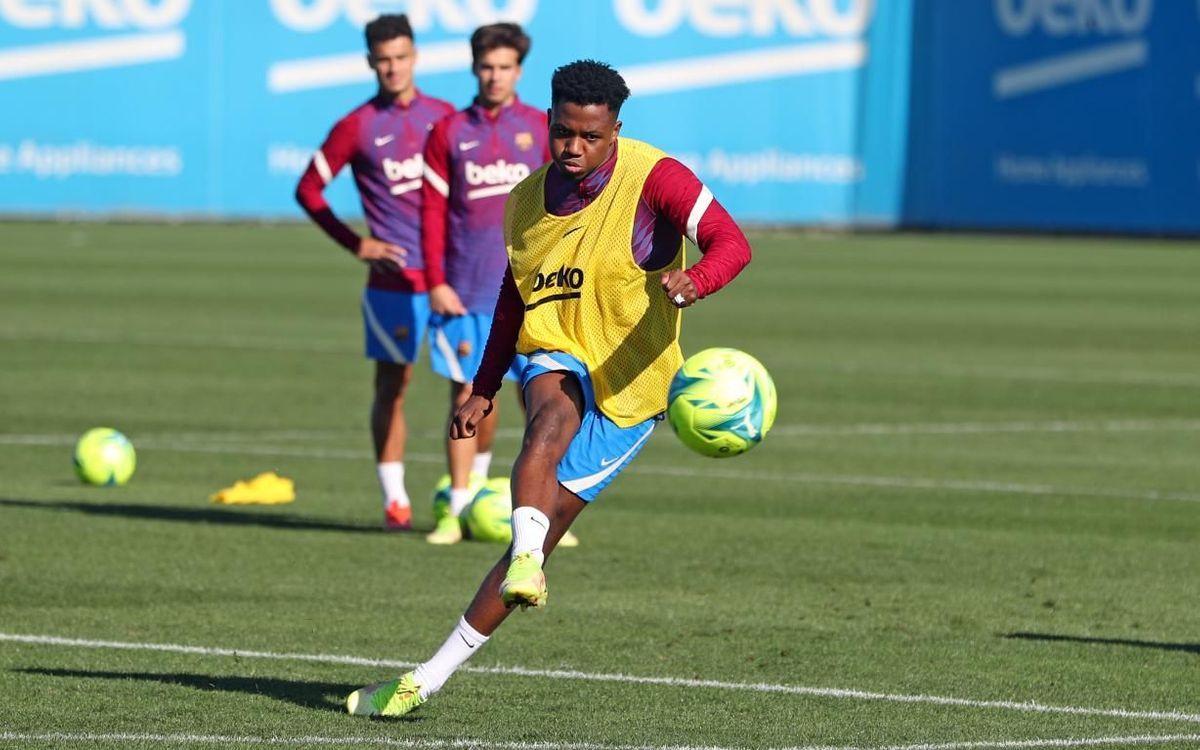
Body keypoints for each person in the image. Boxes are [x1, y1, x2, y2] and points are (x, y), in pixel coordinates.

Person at [345, 59, 752, 718]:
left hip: (636, 381)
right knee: (548, 423)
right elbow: (514, 295)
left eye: (590, 137)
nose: (573, 148)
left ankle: (429, 675)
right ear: (550, 121)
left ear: (616, 128)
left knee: (537, 532)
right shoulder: (526, 200)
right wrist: (485, 385)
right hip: (556, 345)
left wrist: (697, 279)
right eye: (563, 132)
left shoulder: (657, 176)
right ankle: (526, 562)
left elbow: (732, 243)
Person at [295, 14, 453, 531]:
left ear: (415, 57)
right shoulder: (357, 126)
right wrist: (355, 243)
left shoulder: (445, 117)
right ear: (370, 62)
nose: (393, 68)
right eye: (383, 59)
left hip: (451, 278)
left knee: (471, 385)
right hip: (392, 280)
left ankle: (465, 496)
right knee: (393, 385)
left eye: (401, 57)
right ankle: (394, 499)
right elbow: (308, 190)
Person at [419, 23, 551, 545]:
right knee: (467, 397)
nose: (495, 76)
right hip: (468, 289)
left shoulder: (540, 129)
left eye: (505, 67)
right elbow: (430, 215)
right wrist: (435, 281)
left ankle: (543, 515)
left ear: (519, 71)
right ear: (475, 68)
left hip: (532, 290)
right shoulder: (449, 132)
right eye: (487, 67)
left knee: (540, 402)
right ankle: (456, 506)